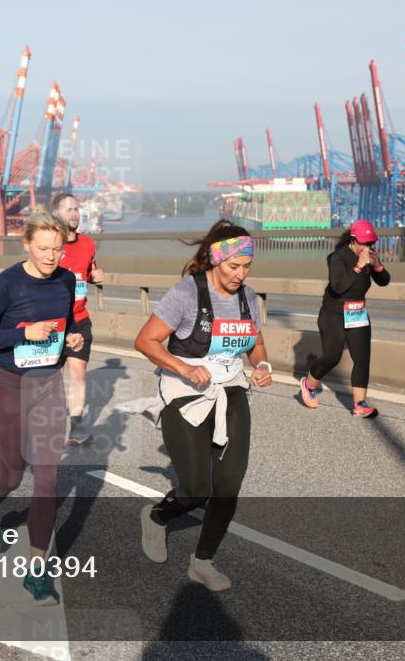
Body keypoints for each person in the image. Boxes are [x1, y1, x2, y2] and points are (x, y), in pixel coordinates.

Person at [133, 219, 273, 592]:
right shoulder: (186, 294)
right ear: (214, 260)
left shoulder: (247, 297)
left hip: (231, 393)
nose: (240, 275)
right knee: (196, 490)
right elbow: (146, 341)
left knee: (228, 487)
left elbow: (255, 344)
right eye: (233, 266)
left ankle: (203, 562)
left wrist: (262, 365)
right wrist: (183, 366)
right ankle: (157, 515)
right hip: (185, 395)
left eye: (246, 267)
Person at [0, 212, 84, 606]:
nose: (52, 256)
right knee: (13, 475)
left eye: (58, 248)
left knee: (48, 480)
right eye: (44, 248)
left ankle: (37, 571)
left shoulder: (67, 280)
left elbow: (73, 323)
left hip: (48, 384)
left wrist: (74, 339)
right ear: (26, 245)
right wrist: (23, 334)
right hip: (8, 386)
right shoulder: (7, 283)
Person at [299, 219, 390, 418]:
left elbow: (385, 281)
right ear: (353, 240)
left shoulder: (369, 257)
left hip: (357, 312)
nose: (368, 247)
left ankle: (360, 404)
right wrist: (358, 266)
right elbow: (338, 286)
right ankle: (309, 384)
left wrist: (377, 266)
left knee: (362, 358)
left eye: (371, 244)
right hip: (334, 314)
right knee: (332, 356)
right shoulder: (337, 258)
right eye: (364, 243)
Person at [52, 192, 104, 445]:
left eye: (76, 208)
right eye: (68, 209)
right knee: (51, 376)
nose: (74, 213)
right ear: (57, 214)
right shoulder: (51, 245)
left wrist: (96, 277)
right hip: (52, 322)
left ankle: (77, 427)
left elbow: (89, 271)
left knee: (78, 372)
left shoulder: (88, 244)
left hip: (80, 319)